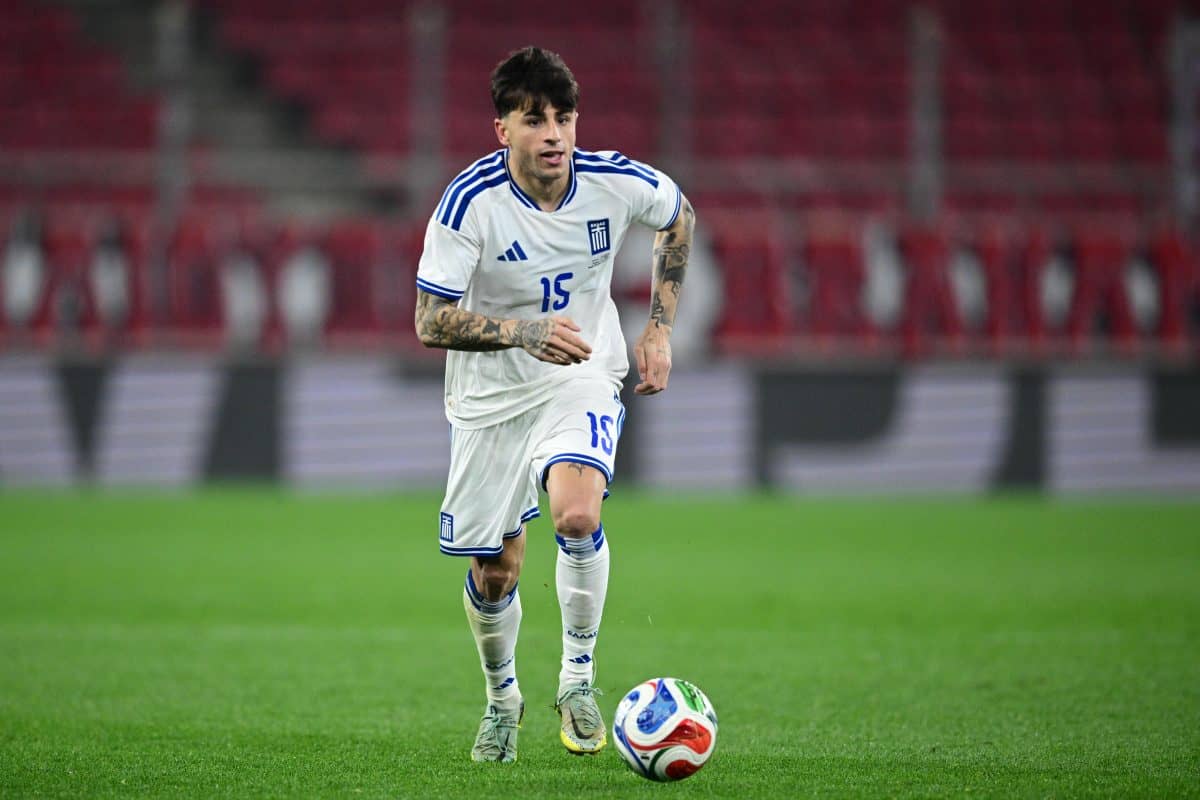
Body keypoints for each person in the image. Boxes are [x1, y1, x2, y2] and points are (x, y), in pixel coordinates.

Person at [413, 46, 694, 764]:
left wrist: (658, 328)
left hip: (581, 370)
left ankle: (578, 680)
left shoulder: (611, 182)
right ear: (501, 129)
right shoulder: (469, 203)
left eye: (564, 118)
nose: (554, 135)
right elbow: (429, 320)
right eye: (534, 120)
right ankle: (502, 700)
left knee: (576, 513)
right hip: (490, 397)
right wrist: (521, 332)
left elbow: (678, 215)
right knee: (497, 572)